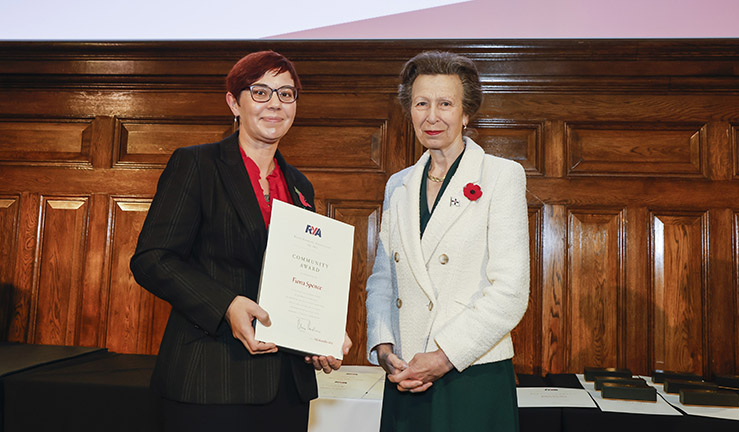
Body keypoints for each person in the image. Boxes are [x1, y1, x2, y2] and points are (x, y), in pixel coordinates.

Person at [130, 50, 351, 432]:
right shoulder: (196, 165)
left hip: (285, 386)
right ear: (234, 102)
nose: (275, 105)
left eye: (286, 93)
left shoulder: (300, 185)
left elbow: (301, 273)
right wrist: (226, 305)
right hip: (210, 379)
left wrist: (323, 329)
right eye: (261, 92)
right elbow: (152, 258)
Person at [365, 51, 530, 431]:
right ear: (410, 111)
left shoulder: (501, 176)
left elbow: (510, 291)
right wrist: (383, 345)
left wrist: (444, 356)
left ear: (466, 113)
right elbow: (382, 279)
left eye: (445, 104)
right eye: (421, 103)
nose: (432, 116)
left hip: (469, 371)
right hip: (407, 373)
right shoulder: (398, 185)